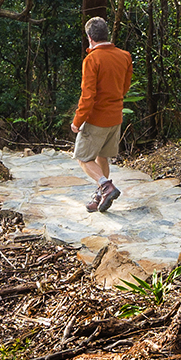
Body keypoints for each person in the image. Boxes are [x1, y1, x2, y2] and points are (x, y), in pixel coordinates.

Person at [71, 16, 131, 213]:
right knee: (102, 157)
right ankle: (101, 197)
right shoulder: (124, 56)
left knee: (82, 157)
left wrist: (78, 121)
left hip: (97, 119)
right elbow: (124, 88)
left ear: (90, 37)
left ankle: (106, 187)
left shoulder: (92, 59)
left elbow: (87, 96)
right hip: (115, 117)